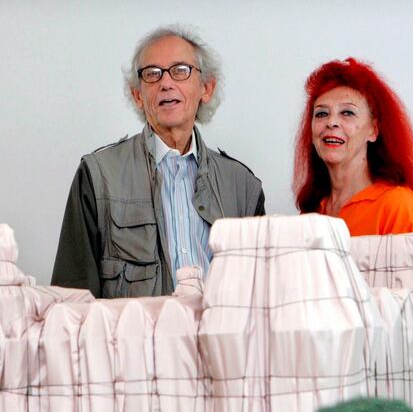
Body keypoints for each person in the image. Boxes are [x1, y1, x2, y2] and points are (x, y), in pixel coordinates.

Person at [52, 25, 265, 298]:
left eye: (180, 70)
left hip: (219, 340)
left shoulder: (242, 185)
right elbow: (72, 301)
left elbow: (260, 296)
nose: (166, 83)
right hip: (134, 341)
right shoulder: (99, 175)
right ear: (138, 95)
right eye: (152, 74)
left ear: (206, 88)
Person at [293, 57, 413, 236]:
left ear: (373, 130)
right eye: (321, 113)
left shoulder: (399, 206)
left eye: (347, 112)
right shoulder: (310, 214)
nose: (331, 122)